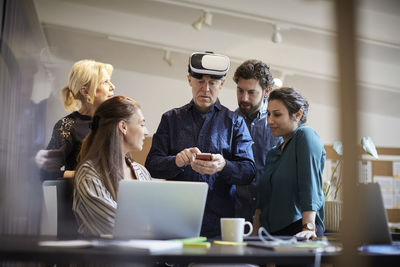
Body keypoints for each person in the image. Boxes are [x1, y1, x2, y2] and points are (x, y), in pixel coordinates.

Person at [145, 52, 256, 238]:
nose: (205, 89)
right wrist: (176, 161)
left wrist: (224, 165)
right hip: (175, 220)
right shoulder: (170, 119)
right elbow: (151, 165)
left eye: (212, 83)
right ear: (189, 80)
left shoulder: (235, 122)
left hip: (220, 224)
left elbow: (249, 171)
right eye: (199, 81)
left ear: (221, 84)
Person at [73, 96, 151, 237]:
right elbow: (115, 225)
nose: (146, 132)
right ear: (123, 127)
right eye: (142, 124)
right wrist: (154, 226)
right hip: (105, 257)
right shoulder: (89, 174)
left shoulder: (141, 171)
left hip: (143, 254)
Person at [253, 87, 325, 239]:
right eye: (269, 114)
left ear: (298, 114)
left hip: (301, 229)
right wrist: (254, 233)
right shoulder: (273, 152)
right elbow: (264, 198)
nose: (269, 121)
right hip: (273, 234)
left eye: (277, 114)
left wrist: (308, 227)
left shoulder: (305, 136)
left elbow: (309, 183)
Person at [35, 59, 115, 180]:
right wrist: (82, 175)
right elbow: (45, 173)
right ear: (85, 91)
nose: (112, 86)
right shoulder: (66, 126)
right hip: (80, 196)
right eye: (105, 82)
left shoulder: (112, 122)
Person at [232, 59, 281, 223]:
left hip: (271, 215)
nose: (244, 98)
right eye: (240, 91)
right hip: (235, 214)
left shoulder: (280, 125)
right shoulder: (227, 124)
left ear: (266, 91)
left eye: (251, 92)